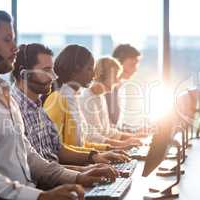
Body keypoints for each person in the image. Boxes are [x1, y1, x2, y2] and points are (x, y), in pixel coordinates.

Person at [0, 9, 118, 200]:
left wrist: (79, 176)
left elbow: (30, 159)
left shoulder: (3, 96)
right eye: (7, 40)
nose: (15, 48)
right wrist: (40, 197)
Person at [11, 43, 130, 173]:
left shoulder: (39, 106)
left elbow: (57, 148)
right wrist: (85, 169)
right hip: (50, 181)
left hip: (59, 174)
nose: (54, 76)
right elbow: (41, 165)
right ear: (24, 74)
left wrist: (96, 156)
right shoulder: (53, 100)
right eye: (46, 70)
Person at [43, 44, 140, 151]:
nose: (94, 75)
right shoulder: (58, 99)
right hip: (73, 165)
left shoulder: (74, 98)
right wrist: (94, 157)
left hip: (80, 163)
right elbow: (57, 150)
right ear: (76, 69)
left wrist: (110, 149)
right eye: (90, 69)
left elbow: (83, 143)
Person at [79, 57, 142, 147]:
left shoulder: (100, 96)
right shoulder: (86, 98)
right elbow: (91, 137)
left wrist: (133, 137)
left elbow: (106, 131)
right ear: (102, 75)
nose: (117, 81)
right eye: (115, 76)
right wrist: (123, 144)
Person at [105, 44, 141, 128]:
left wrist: (135, 130)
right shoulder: (105, 89)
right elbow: (108, 126)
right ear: (118, 63)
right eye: (132, 64)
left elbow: (117, 125)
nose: (135, 69)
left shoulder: (121, 87)